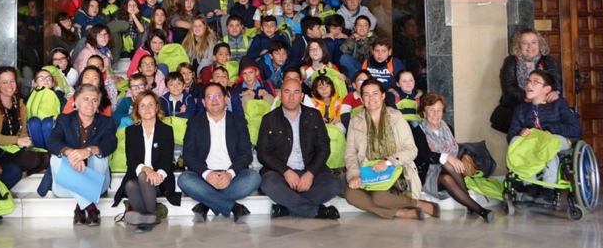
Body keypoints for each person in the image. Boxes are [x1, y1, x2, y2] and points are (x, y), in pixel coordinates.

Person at [343, 79, 440, 220]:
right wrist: (354, 174)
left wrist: (387, 162)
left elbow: (411, 149)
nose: (371, 98)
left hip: (397, 170)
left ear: (383, 96)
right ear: (362, 97)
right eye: (366, 94)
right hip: (370, 172)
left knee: (379, 197)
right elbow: (350, 152)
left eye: (375, 93)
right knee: (351, 194)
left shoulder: (396, 117)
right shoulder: (355, 120)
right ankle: (401, 212)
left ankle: (416, 203)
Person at [257, 79, 342, 220]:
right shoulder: (269, 119)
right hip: (281, 174)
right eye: (287, 92)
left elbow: (323, 148)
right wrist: (286, 171)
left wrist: (310, 174)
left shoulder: (314, 116)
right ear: (280, 95)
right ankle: (314, 211)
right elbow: (263, 153)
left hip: (309, 171)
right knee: (268, 183)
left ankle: (286, 206)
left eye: (296, 92)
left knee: (334, 184)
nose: (291, 97)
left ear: (302, 96)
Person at [178, 83, 261, 224]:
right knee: (184, 180)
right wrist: (206, 174)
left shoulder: (238, 122)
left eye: (218, 96)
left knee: (254, 178)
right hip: (204, 177)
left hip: (232, 176)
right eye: (209, 97)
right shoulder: (194, 123)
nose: (214, 100)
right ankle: (234, 207)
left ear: (225, 99)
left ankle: (205, 204)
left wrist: (230, 174)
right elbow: (188, 155)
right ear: (203, 102)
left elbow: (245, 154)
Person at [411, 93, 494, 222]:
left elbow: (453, 152)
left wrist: (449, 158)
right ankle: (479, 210)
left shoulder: (448, 128)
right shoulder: (418, 130)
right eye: (431, 110)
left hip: (449, 173)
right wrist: (447, 157)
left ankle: (474, 207)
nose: (435, 114)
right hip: (427, 174)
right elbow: (425, 156)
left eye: (439, 110)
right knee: (447, 169)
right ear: (424, 112)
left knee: (447, 173)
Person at [507, 70, 582, 204]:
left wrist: (551, 130)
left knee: (548, 145)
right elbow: (512, 132)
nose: (530, 85)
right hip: (533, 143)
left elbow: (575, 129)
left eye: (535, 82)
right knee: (516, 141)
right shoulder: (521, 109)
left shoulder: (559, 104)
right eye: (528, 81)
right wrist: (520, 132)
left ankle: (549, 189)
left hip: (558, 140)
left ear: (547, 89)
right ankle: (530, 186)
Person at [49, 84, 118, 226]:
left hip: (97, 183)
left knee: (100, 157)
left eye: (94, 100)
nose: (90, 104)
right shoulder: (64, 119)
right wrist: (71, 154)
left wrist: (88, 151)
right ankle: (91, 207)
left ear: (99, 103)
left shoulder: (106, 122)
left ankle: (81, 207)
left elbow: (111, 143)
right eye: (86, 99)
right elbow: (52, 142)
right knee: (56, 158)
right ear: (76, 102)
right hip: (66, 184)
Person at [113, 91, 180, 233]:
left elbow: (166, 160)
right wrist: (146, 170)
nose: (147, 109)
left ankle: (144, 218)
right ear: (137, 109)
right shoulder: (131, 131)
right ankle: (150, 216)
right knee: (131, 184)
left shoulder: (166, 130)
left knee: (144, 178)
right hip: (138, 176)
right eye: (142, 105)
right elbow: (132, 160)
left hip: (160, 180)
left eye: (150, 105)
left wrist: (158, 174)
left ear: (157, 107)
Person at [0, 67, 50, 176]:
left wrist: (25, 141)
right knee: (34, 160)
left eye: (12, 81)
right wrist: (16, 140)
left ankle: (25, 172)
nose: (9, 86)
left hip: (16, 149)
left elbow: (22, 131)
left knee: (46, 157)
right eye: (4, 82)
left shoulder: (20, 104)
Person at [495, 28, 563, 131]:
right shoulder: (511, 61)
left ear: (539, 44)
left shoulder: (548, 60)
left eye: (533, 42)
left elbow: (555, 81)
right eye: (525, 43)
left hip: (545, 111)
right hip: (519, 111)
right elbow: (508, 88)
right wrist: (527, 96)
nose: (530, 47)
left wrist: (555, 92)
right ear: (519, 45)